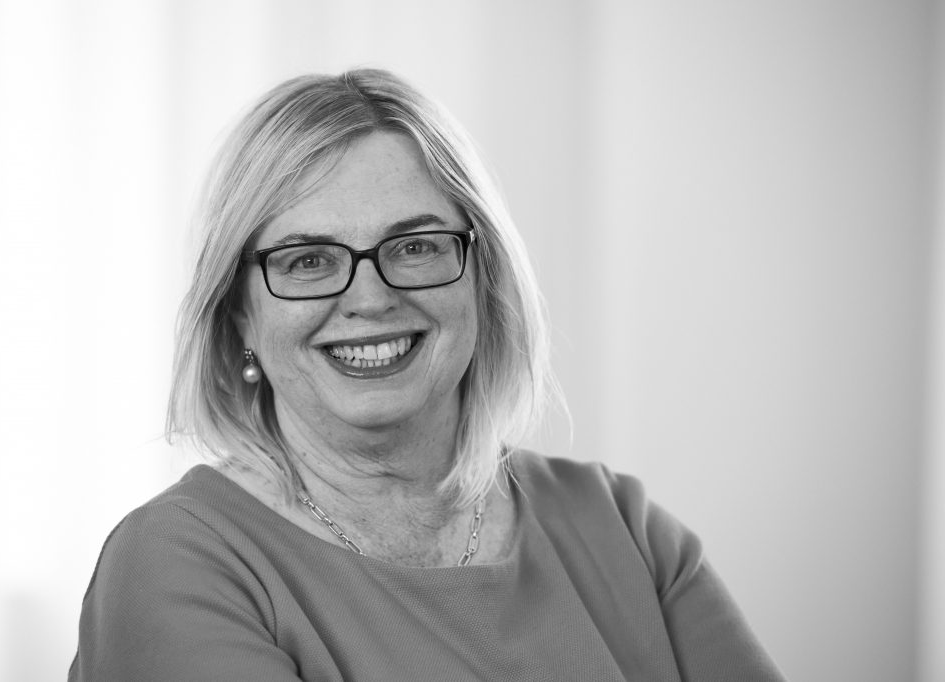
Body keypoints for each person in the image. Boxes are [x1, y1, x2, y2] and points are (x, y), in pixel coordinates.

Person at [69, 68, 784, 681]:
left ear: (482, 277)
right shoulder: (177, 562)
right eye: (308, 260)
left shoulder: (624, 529)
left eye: (414, 246)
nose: (370, 298)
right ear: (238, 315)